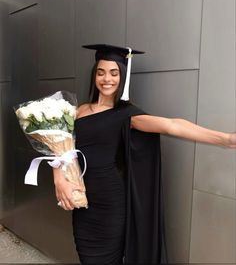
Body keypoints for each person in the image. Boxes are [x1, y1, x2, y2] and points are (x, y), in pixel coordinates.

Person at [52, 44, 236, 264]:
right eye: (101, 72)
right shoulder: (78, 110)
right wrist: (58, 180)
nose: (107, 79)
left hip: (110, 203)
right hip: (82, 203)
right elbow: (59, 149)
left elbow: (171, 125)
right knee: (86, 257)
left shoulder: (127, 115)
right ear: (94, 75)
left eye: (114, 73)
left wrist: (225, 139)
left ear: (122, 77)